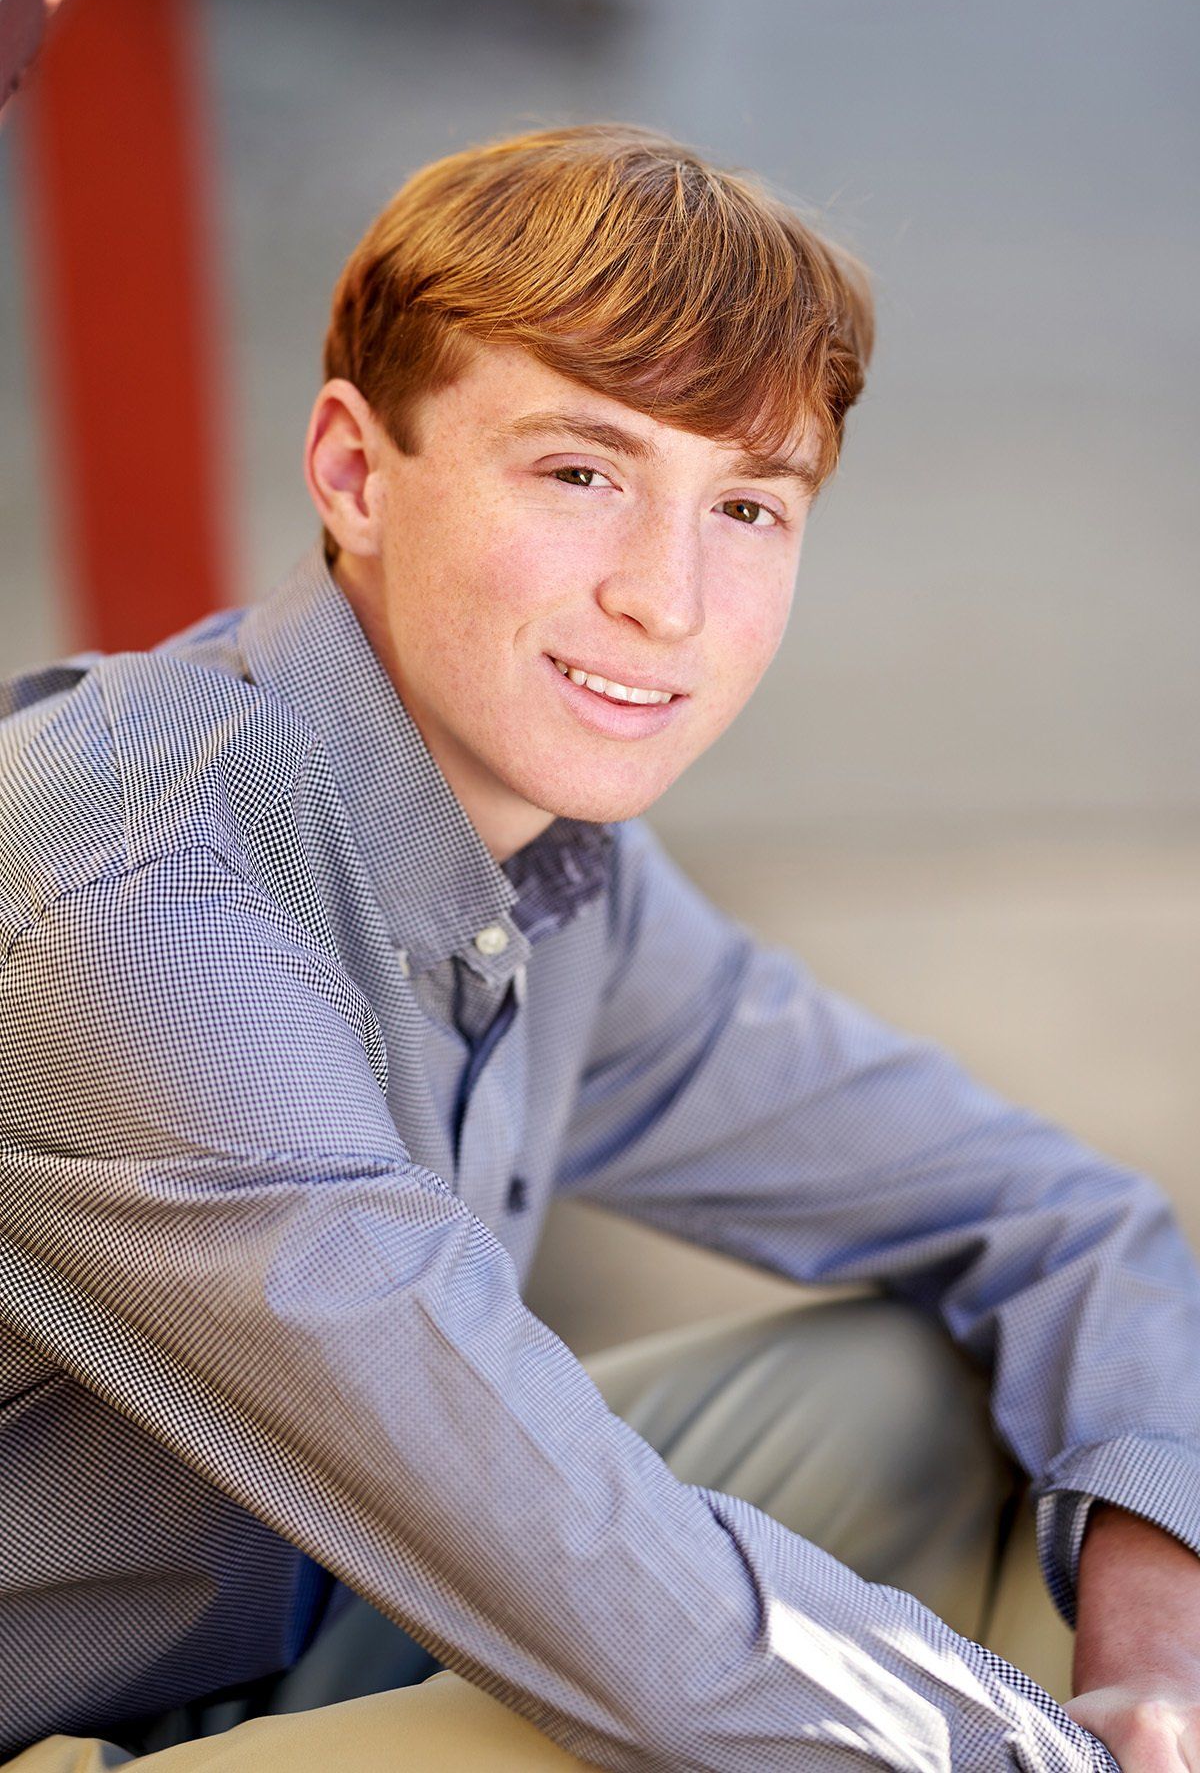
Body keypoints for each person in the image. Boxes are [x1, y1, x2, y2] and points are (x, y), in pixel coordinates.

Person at [0, 122, 1196, 1773]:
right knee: (657, 1716)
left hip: (247, 1641)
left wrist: (1164, 1652)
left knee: (945, 1387)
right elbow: (651, 1636)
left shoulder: (555, 872)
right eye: (581, 472)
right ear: (355, 472)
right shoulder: (136, 904)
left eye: (751, 508)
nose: (671, 600)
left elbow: (1058, 1219)